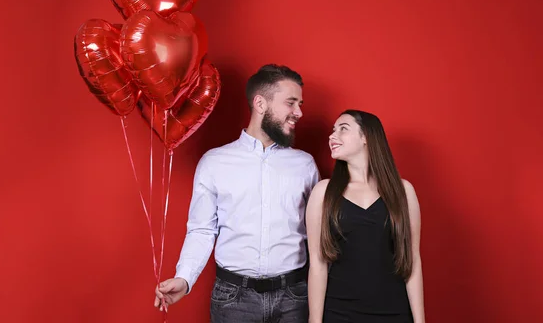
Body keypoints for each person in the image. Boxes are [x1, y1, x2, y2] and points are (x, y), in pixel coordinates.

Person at [154, 64, 320, 322]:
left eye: (300, 104)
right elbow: (202, 229)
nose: (298, 112)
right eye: (291, 103)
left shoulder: (305, 165)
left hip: (295, 298)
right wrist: (184, 278)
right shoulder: (214, 162)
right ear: (260, 103)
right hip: (233, 300)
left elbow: (319, 235)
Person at [306, 110, 425, 323]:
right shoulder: (323, 192)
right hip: (339, 313)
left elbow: (412, 260)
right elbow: (318, 264)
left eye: (343, 129)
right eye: (333, 131)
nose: (332, 136)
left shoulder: (403, 191)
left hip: (394, 312)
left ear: (366, 138)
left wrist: (420, 321)